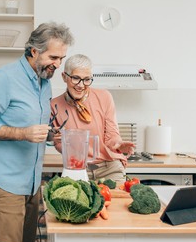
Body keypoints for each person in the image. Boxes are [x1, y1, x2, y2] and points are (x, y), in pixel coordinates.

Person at [0, 22, 74, 242]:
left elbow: (32, 125)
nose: (57, 65)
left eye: (61, 59)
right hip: (4, 183)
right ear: (34, 51)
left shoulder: (43, 81)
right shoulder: (4, 78)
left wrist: (48, 136)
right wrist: (23, 133)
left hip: (31, 183)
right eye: (53, 58)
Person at [50, 54, 135, 183]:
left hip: (109, 167)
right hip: (77, 168)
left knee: (117, 201)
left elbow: (112, 133)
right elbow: (58, 142)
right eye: (76, 78)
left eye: (86, 79)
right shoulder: (54, 105)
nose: (81, 85)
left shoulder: (104, 97)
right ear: (64, 77)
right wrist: (59, 141)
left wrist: (117, 144)